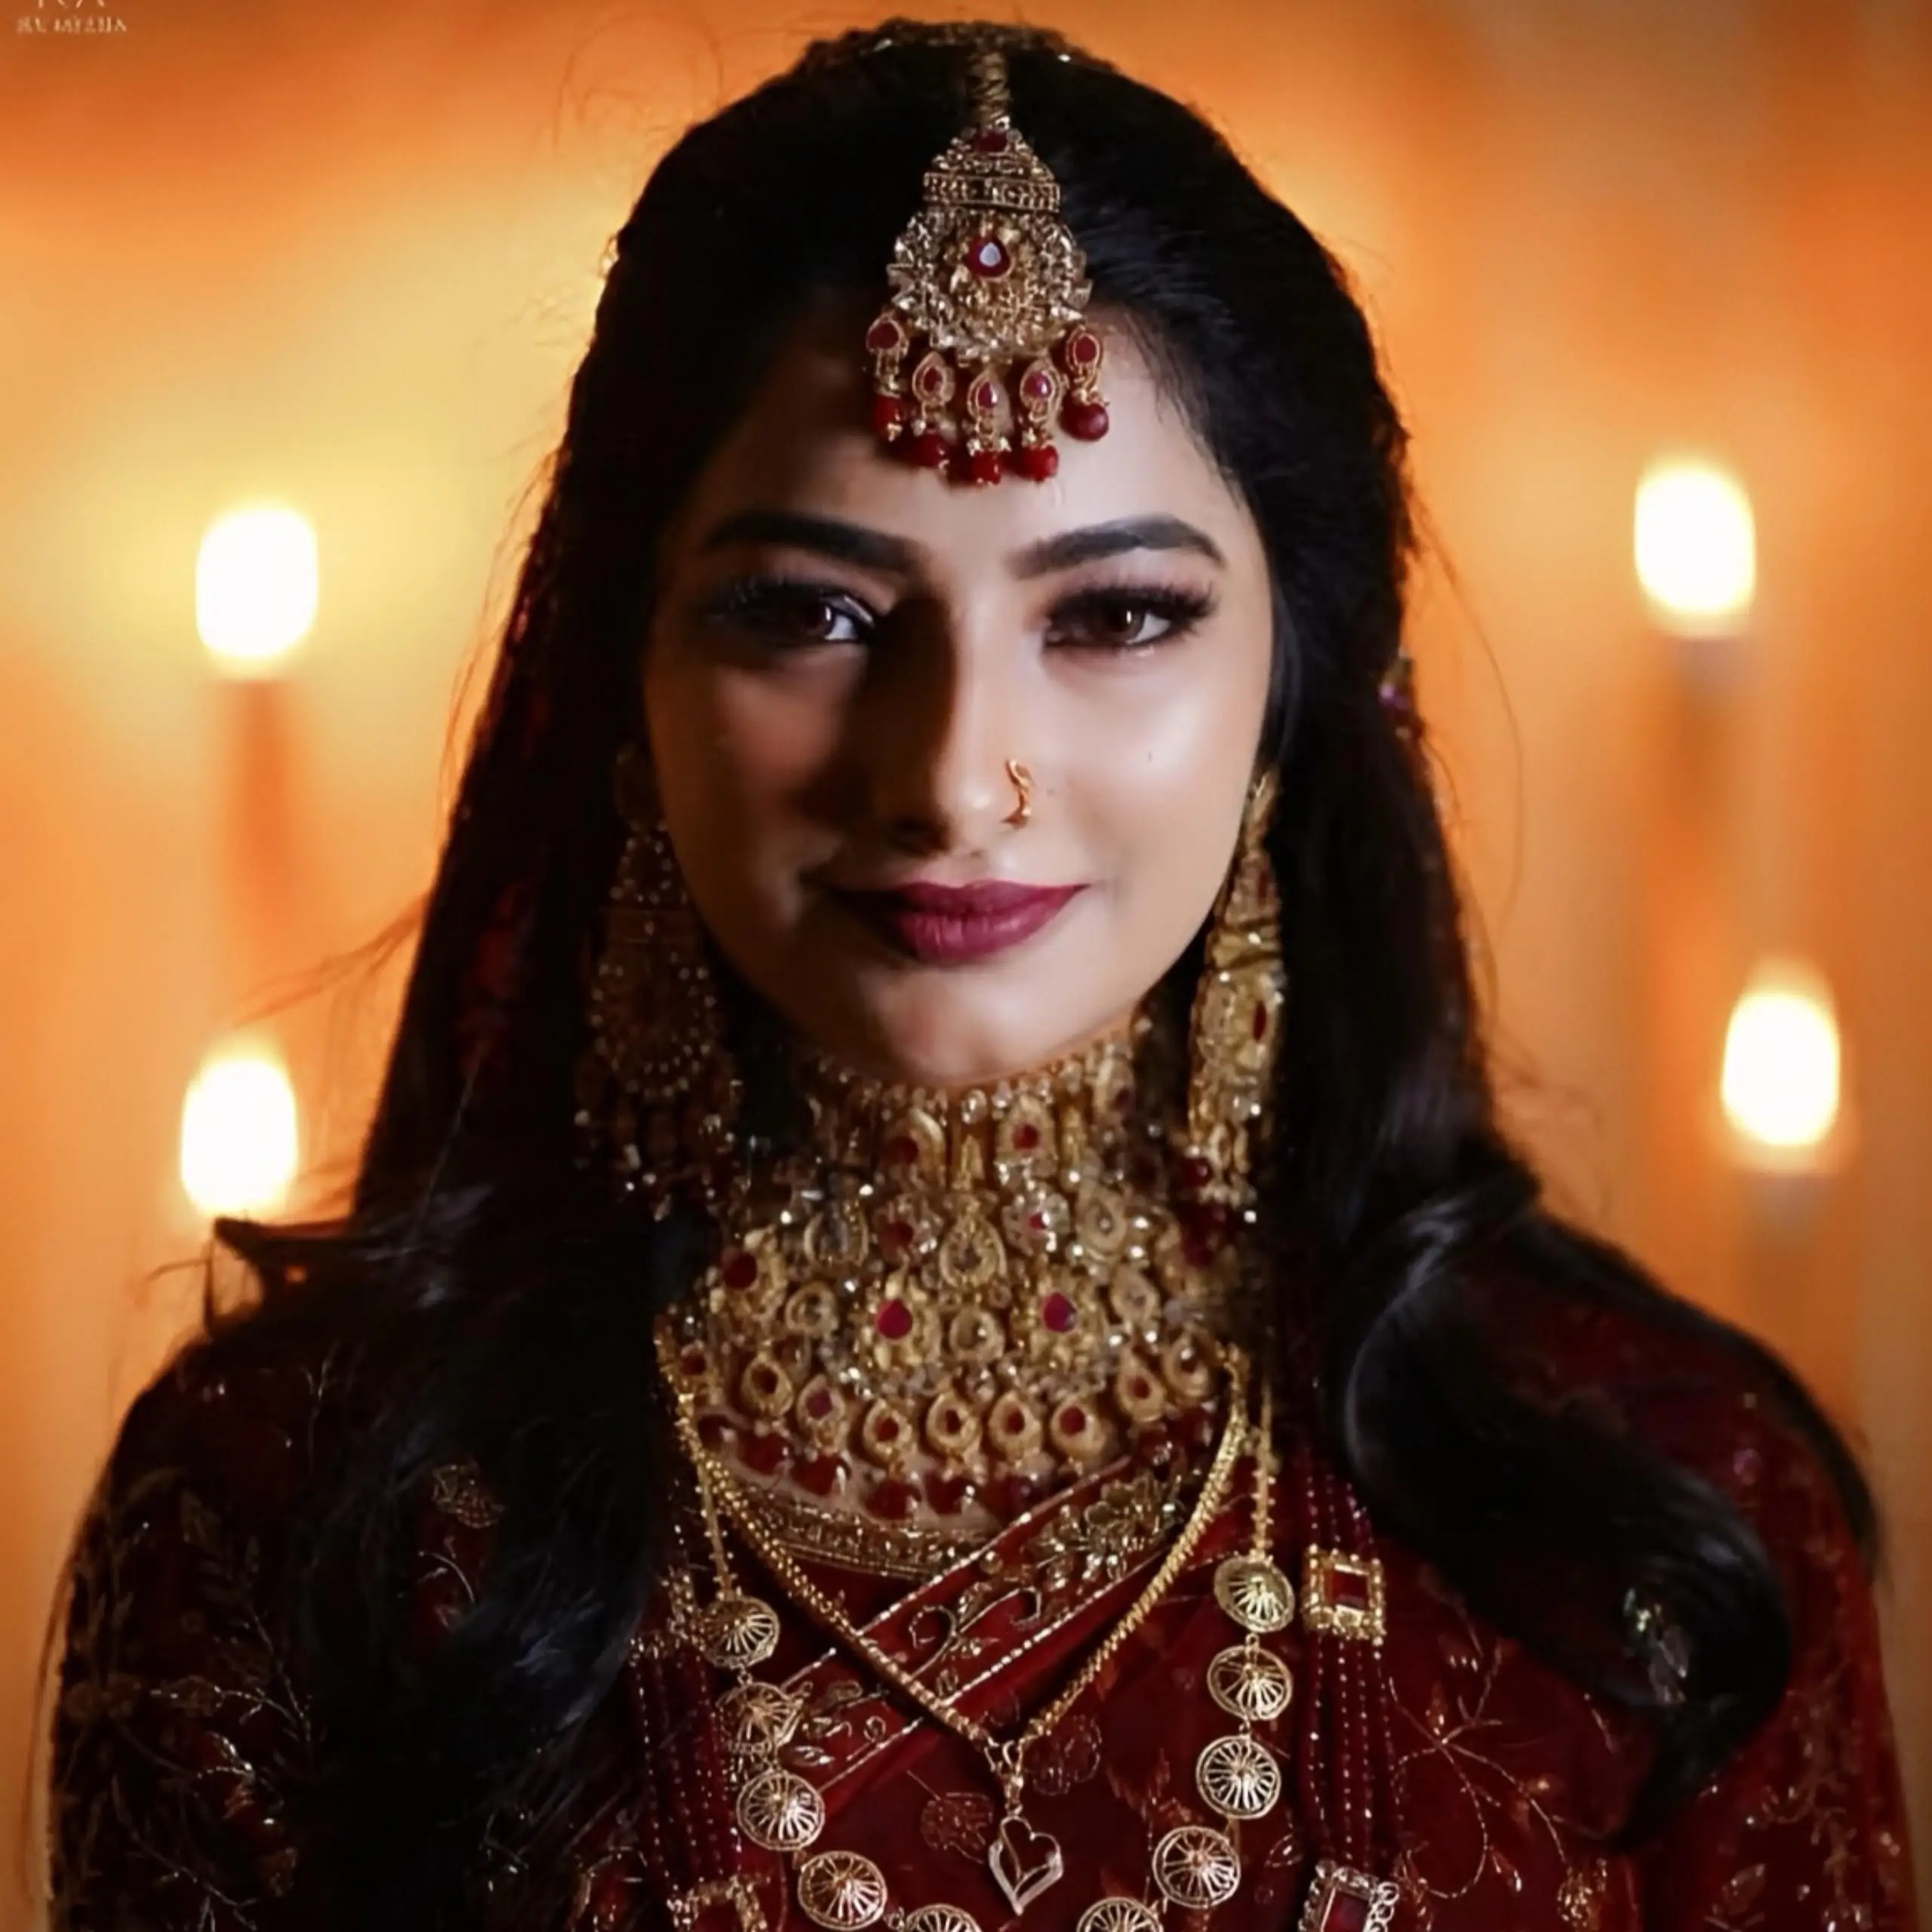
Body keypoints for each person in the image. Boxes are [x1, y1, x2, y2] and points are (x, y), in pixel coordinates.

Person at [45, 19, 1915, 1932]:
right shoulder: (294, 1508)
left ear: (1295, 694)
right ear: (627, 676)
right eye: (813, 612)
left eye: (1112, 614)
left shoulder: (1653, 1516)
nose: (953, 776)